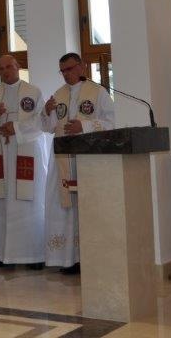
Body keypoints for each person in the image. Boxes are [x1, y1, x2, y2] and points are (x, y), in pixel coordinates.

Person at [0, 54, 48, 269]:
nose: (5, 71)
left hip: (25, 155)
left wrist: (15, 128)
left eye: (8, 67)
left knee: (28, 202)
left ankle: (32, 255)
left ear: (18, 66)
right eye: (1, 68)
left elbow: (42, 120)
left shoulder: (33, 92)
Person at [41, 53, 115, 274]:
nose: (66, 74)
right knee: (63, 207)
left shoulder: (98, 92)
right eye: (62, 71)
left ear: (81, 67)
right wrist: (46, 112)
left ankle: (88, 258)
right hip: (62, 160)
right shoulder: (58, 94)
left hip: (87, 159)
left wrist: (84, 126)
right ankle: (68, 259)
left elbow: (112, 122)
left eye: (70, 69)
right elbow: (48, 127)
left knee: (86, 207)